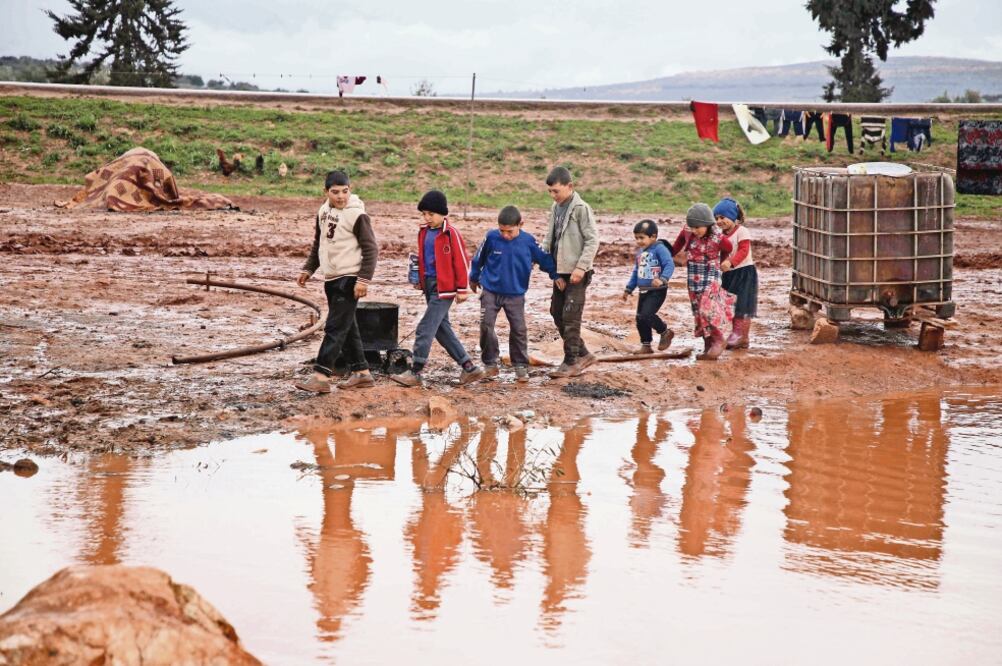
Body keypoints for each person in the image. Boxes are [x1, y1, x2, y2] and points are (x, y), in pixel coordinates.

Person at [294, 170, 378, 393]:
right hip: (331, 278)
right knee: (347, 327)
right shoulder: (323, 211)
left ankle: (321, 376)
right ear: (326, 192)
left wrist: (363, 280)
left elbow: (371, 249)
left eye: (345, 191)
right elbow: (319, 242)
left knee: (334, 327)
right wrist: (309, 268)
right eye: (335, 192)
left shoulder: (357, 215)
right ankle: (362, 373)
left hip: (349, 278)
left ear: (350, 189)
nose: (341, 196)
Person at [391, 190, 485, 387]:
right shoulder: (424, 232)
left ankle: (415, 372)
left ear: (443, 213)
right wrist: (419, 279)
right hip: (429, 285)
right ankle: (469, 368)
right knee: (441, 329)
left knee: (425, 328)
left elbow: (461, 262)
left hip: (445, 288)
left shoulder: (451, 233)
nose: (427, 218)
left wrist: (462, 288)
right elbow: (423, 258)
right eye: (424, 214)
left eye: (431, 214)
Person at [469, 205, 558, 383]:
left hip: (515, 294)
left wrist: (556, 275)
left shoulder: (528, 242)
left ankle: (520, 365)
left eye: (509, 231)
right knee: (486, 325)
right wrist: (473, 277)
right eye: (502, 230)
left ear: (520, 225)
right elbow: (478, 258)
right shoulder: (491, 237)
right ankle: (490, 363)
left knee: (518, 329)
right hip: (490, 291)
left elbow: (544, 259)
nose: (505, 235)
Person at [540, 166, 600, 378]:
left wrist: (581, 267)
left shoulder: (581, 209)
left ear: (570, 186)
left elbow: (593, 240)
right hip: (560, 270)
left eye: (556, 191)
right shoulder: (555, 208)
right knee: (557, 312)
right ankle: (583, 353)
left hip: (577, 272)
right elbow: (550, 237)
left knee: (571, 315)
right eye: (550, 191)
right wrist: (541, 256)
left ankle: (571, 361)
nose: (553, 195)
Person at [663, 203, 735, 361]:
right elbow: (676, 247)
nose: (695, 231)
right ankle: (707, 344)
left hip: (711, 275)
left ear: (708, 224)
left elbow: (728, 248)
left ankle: (719, 339)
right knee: (697, 311)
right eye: (692, 227)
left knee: (707, 308)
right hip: (693, 277)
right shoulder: (688, 232)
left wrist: (722, 262)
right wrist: (662, 253)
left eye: (698, 227)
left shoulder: (718, 236)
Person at [622, 219, 675, 354]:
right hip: (643, 291)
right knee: (640, 318)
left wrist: (663, 279)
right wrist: (629, 288)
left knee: (647, 314)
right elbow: (636, 272)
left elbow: (669, 264)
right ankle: (646, 345)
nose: (639, 241)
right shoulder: (641, 252)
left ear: (653, 236)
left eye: (642, 237)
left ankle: (665, 331)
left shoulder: (660, 249)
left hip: (657, 290)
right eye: (636, 238)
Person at [714, 198, 758, 349]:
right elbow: (720, 252)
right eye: (716, 218)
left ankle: (741, 336)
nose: (719, 221)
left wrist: (731, 262)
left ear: (733, 216)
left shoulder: (742, 231)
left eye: (722, 217)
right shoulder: (720, 235)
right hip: (729, 274)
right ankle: (738, 335)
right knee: (730, 303)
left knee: (743, 304)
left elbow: (744, 250)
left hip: (744, 273)